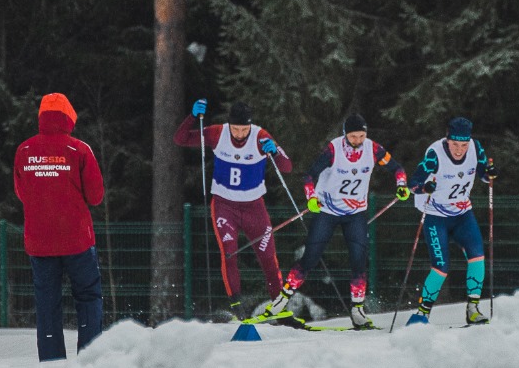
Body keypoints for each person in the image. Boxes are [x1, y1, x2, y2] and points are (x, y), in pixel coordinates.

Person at [259, 113, 409, 330]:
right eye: (354, 136)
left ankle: (357, 311)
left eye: (361, 136)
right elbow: (309, 175)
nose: (358, 141)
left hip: (356, 212)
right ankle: (281, 301)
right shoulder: (333, 149)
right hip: (327, 210)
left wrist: (401, 185)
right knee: (310, 258)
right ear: (345, 135)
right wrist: (311, 197)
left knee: (359, 260)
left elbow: (397, 168)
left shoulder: (373, 149)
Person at [174, 99, 293, 319]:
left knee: (268, 257)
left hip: (254, 207)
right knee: (229, 252)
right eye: (236, 129)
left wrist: (274, 151)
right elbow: (180, 139)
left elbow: (287, 166)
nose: (239, 134)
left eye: (244, 129)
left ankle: (279, 308)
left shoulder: (260, 136)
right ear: (229, 125)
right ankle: (237, 306)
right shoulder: (218, 133)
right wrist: (191, 117)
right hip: (224, 205)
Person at [13, 93, 106, 361]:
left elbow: (21, 192)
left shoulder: (25, 150)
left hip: (40, 242)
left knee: (47, 303)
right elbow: (96, 196)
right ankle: (89, 358)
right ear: (69, 117)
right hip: (77, 240)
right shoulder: (78, 150)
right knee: (88, 297)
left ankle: (51, 362)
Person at [404, 117, 497, 325]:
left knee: (477, 257)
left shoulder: (475, 147)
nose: (459, 150)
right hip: (436, 217)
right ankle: (422, 314)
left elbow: (482, 173)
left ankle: (473, 309)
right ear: (447, 140)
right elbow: (413, 183)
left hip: (462, 214)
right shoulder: (435, 154)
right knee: (441, 267)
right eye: (455, 144)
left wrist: (488, 174)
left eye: (463, 145)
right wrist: (424, 188)